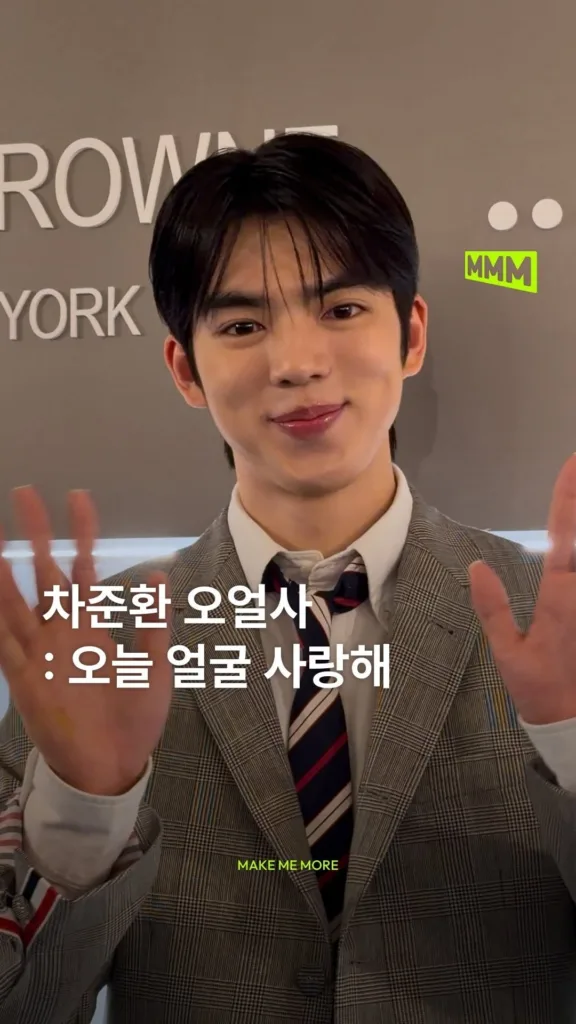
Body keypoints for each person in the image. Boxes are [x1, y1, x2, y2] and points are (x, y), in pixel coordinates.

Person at [0, 132, 574, 1024]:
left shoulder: (549, 621)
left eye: (340, 309)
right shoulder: (101, 641)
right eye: (242, 325)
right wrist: (82, 817)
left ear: (410, 333)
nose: (297, 362)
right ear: (185, 368)